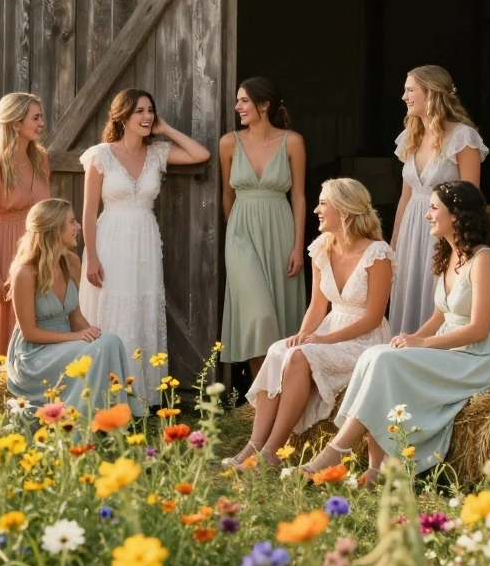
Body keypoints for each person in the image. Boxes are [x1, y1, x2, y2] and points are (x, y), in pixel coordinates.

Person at [303, 181, 490, 482]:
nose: (427, 215)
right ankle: (376, 468)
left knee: (385, 361)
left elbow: (478, 329)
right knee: (376, 354)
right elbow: (440, 316)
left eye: (433, 208)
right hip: (452, 349)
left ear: (455, 215)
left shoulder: (484, 260)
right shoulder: (450, 254)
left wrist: (423, 343)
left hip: (480, 357)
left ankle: (336, 450)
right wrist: (411, 340)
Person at [223, 178, 393, 469]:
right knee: (279, 350)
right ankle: (254, 444)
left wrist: (322, 340)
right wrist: (304, 334)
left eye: (323, 203)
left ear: (344, 210)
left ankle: (272, 452)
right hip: (329, 328)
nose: (316, 210)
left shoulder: (378, 254)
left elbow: (373, 318)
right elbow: (317, 306)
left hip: (364, 339)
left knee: (301, 356)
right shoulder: (321, 248)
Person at [79, 89, 210, 404]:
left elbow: (200, 154)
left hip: (145, 243)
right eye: (139, 111)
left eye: (150, 110)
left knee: (141, 309)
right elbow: (88, 213)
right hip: (110, 241)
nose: (147, 116)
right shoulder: (101, 155)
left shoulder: (157, 153)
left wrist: (165, 129)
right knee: (111, 308)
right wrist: (92, 257)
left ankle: (138, 395)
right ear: (122, 116)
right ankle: (103, 395)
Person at [7, 198, 142, 419]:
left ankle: (111, 419)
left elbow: (75, 316)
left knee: (110, 342)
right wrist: (76, 337)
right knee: (104, 345)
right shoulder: (25, 272)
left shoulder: (71, 262)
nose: (78, 226)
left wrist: (93, 337)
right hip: (35, 355)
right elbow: (30, 333)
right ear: (54, 228)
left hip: (66, 343)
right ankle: (88, 422)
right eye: (71, 221)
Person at [390, 65, 487, 335]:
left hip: (445, 230)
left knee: (439, 297)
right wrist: (394, 244)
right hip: (411, 230)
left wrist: (461, 245)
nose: (404, 97)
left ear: (431, 93)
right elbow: (405, 196)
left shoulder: (462, 137)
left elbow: (470, 199)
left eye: (410, 90)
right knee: (409, 293)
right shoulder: (410, 137)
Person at [219, 77, 306, 380]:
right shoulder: (228, 143)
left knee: (281, 316)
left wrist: (298, 246)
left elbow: (298, 197)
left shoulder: (292, 142)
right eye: (238, 100)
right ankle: (263, 389)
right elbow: (227, 195)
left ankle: (276, 390)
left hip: (280, 232)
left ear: (264, 105)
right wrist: (234, 234)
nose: (237, 107)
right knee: (258, 315)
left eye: (244, 101)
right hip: (241, 233)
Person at [0, 93, 50, 362]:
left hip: (39, 250)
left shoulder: (40, 158)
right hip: (6, 251)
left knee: (40, 317)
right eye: (35, 118)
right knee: (7, 322)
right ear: (15, 123)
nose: (42, 123)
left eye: (41, 117)